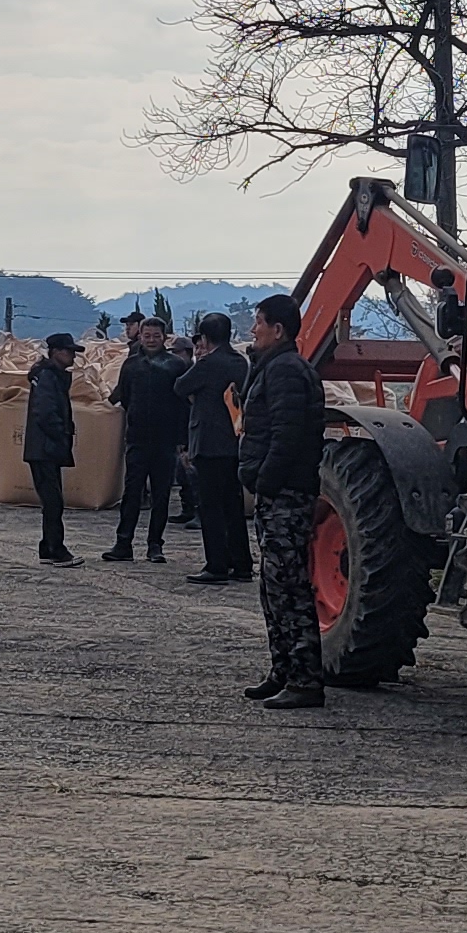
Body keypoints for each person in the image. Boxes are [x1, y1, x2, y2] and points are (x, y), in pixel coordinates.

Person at [239, 294, 328, 707]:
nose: (253, 328)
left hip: (286, 493)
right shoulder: (273, 367)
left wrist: (264, 479)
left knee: (289, 586)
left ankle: (305, 679)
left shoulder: (288, 372)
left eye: (259, 322)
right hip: (277, 492)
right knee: (272, 587)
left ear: (278, 330)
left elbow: (287, 435)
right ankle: (283, 669)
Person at [104, 314, 189, 563]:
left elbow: (183, 405)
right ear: (140, 337)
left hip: (166, 439)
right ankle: (123, 543)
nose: (151, 340)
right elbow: (126, 398)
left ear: (165, 338)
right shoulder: (131, 366)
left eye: (156, 336)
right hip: (137, 438)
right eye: (147, 335)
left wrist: (181, 439)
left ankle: (155, 545)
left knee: (161, 494)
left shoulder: (176, 366)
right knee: (132, 492)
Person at [180, 311, 253, 585]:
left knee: (210, 507)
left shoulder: (208, 363)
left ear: (206, 338)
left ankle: (217, 565)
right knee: (232, 505)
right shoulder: (240, 362)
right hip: (233, 442)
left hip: (208, 443)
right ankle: (242, 564)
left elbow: (180, 386)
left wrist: (199, 362)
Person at [22, 331, 81, 565]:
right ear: (56, 352)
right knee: (53, 501)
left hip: (44, 447)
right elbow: (45, 412)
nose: (73, 357)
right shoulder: (48, 377)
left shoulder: (50, 376)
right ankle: (56, 549)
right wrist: (61, 433)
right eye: (69, 352)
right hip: (44, 448)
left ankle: (47, 548)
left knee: (51, 500)